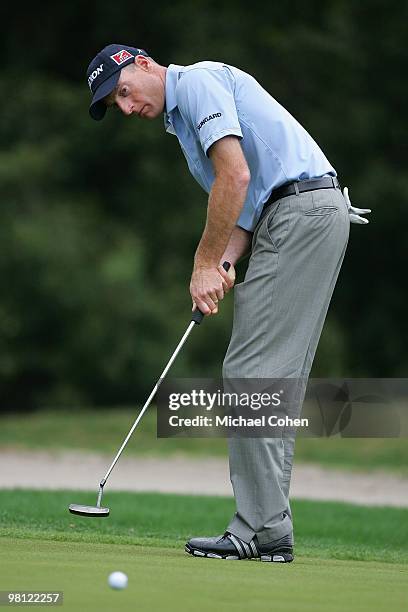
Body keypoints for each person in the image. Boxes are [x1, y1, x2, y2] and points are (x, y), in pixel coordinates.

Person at [86, 44, 370, 563]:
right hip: (298, 214)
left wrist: (202, 261)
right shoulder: (183, 118)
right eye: (114, 106)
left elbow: (235, 178)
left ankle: (258, 530)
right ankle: (268, 530)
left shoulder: (195, 83)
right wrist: (224, 262)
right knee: (269, 379)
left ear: (143, 64)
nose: (125, 108)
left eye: (122, 91)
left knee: (251, 375)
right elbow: (246, 202)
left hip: (299, 214)